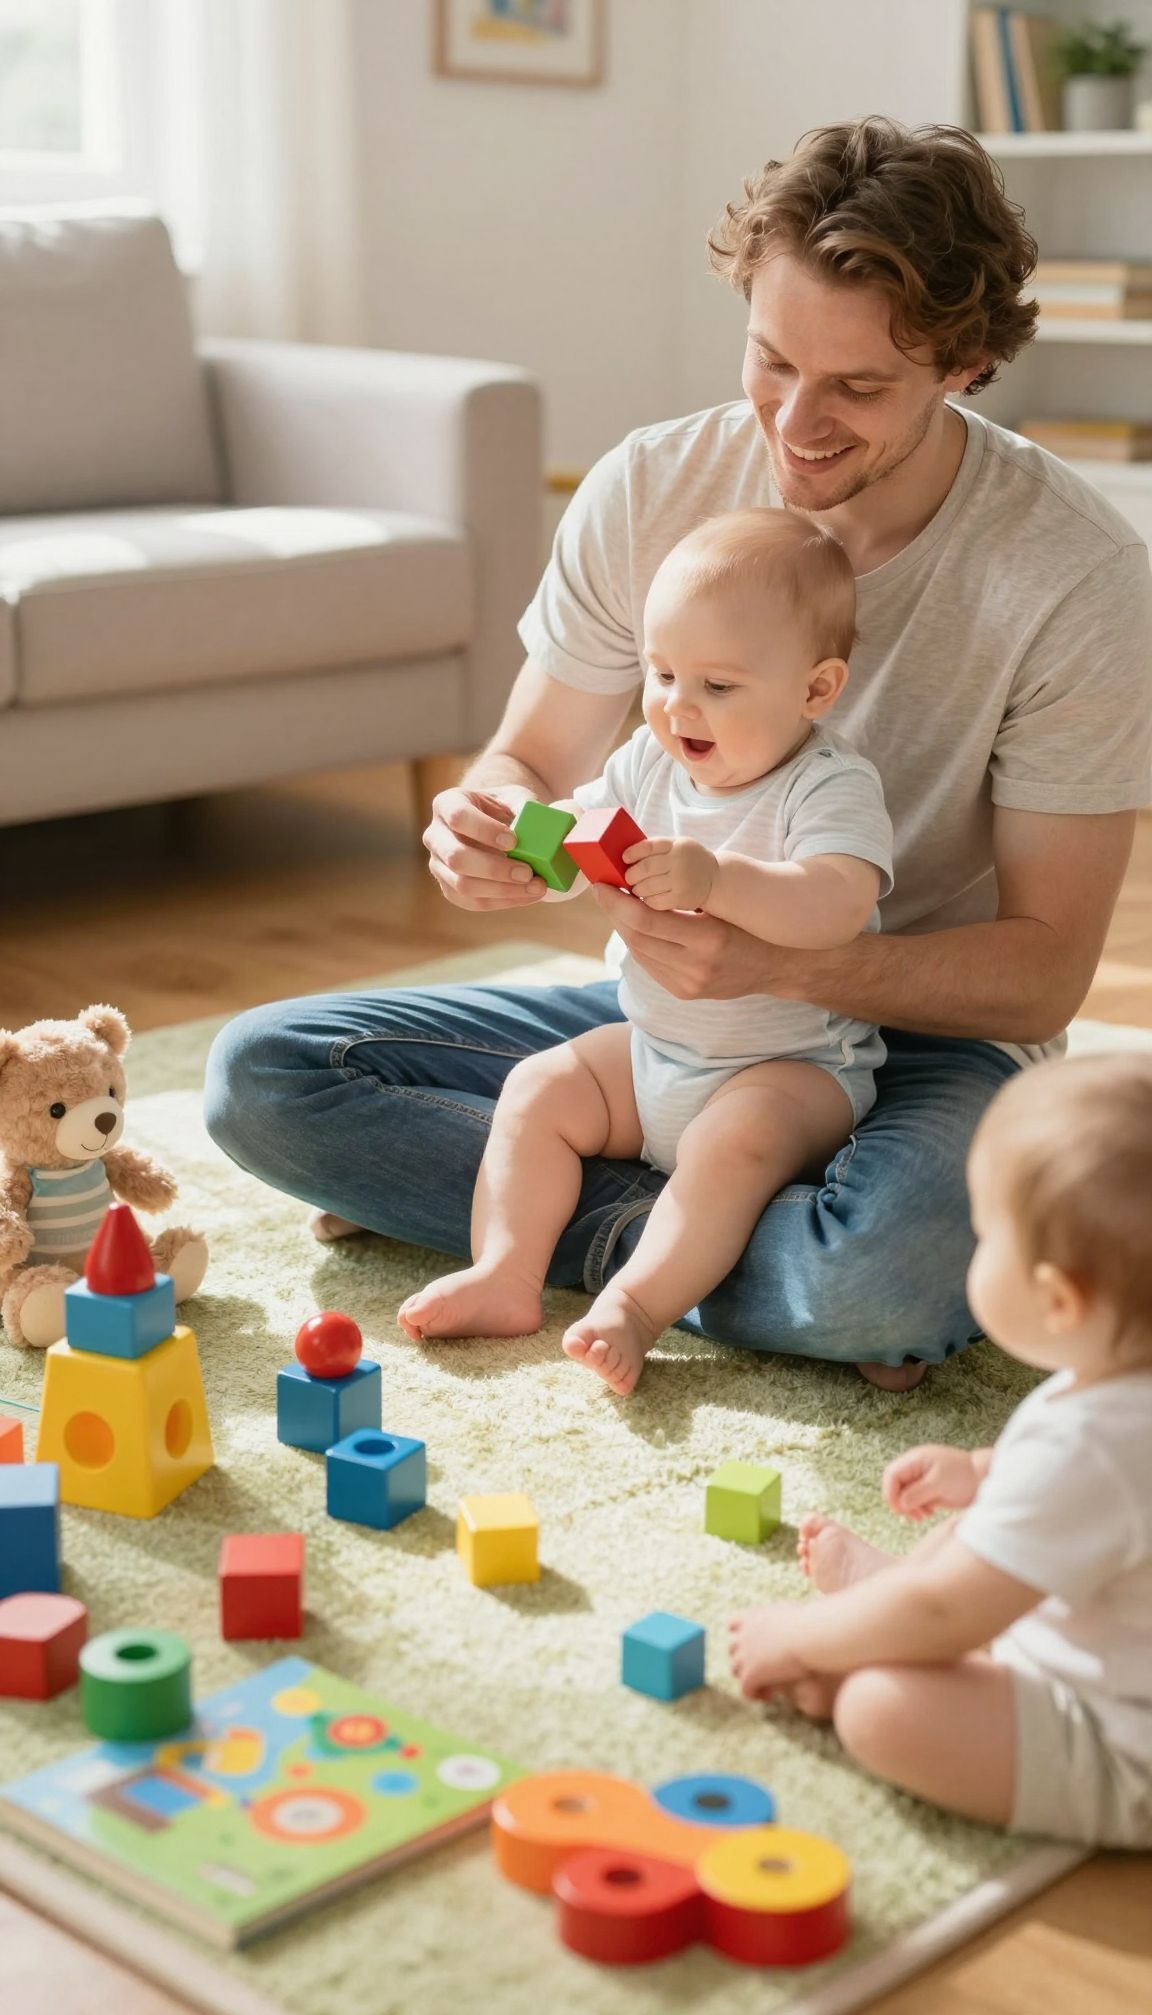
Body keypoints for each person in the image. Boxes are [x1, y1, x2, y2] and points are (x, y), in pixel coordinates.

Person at [203, 117, 1152, 1392]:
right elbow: (531, 760)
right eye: (771, 360)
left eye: (858, 388)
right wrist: (487, 824)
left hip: (917, 1035)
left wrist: (778, 953)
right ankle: (692, 1252)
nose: (797, 423)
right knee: (263, 1077)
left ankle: (576, 1230)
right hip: (670, 1019)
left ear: (967, 366)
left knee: (878, 1266)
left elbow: (1042, 977)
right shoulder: (652, 487)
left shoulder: (1076, 581)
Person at [397, 508, 893, 1393]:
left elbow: (836, 902)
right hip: (656, 1049)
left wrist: (720, 880)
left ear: (816, 690)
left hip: (791, 1067)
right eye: (661, 672)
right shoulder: (646, 761)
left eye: (719, 685)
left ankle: (635, 1304)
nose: (677, 705)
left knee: (732, 1148)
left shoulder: (829, 783)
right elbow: (582, 836)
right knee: (536, 1087)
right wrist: (520, 843)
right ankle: (506, 1273)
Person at [727, 1054, 1152, 1847]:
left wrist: (799, 1635)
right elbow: (1097, 1501)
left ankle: (867, 1631)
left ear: (1059, 1299)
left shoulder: (1096, 1444)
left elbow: (944, 1608)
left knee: (882, 1707)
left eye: (985, 1236)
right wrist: (987, 1471)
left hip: (1118, 1738)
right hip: (1101, 1632)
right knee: (976, 1529)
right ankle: (882, 1613)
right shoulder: (1119, 1385)